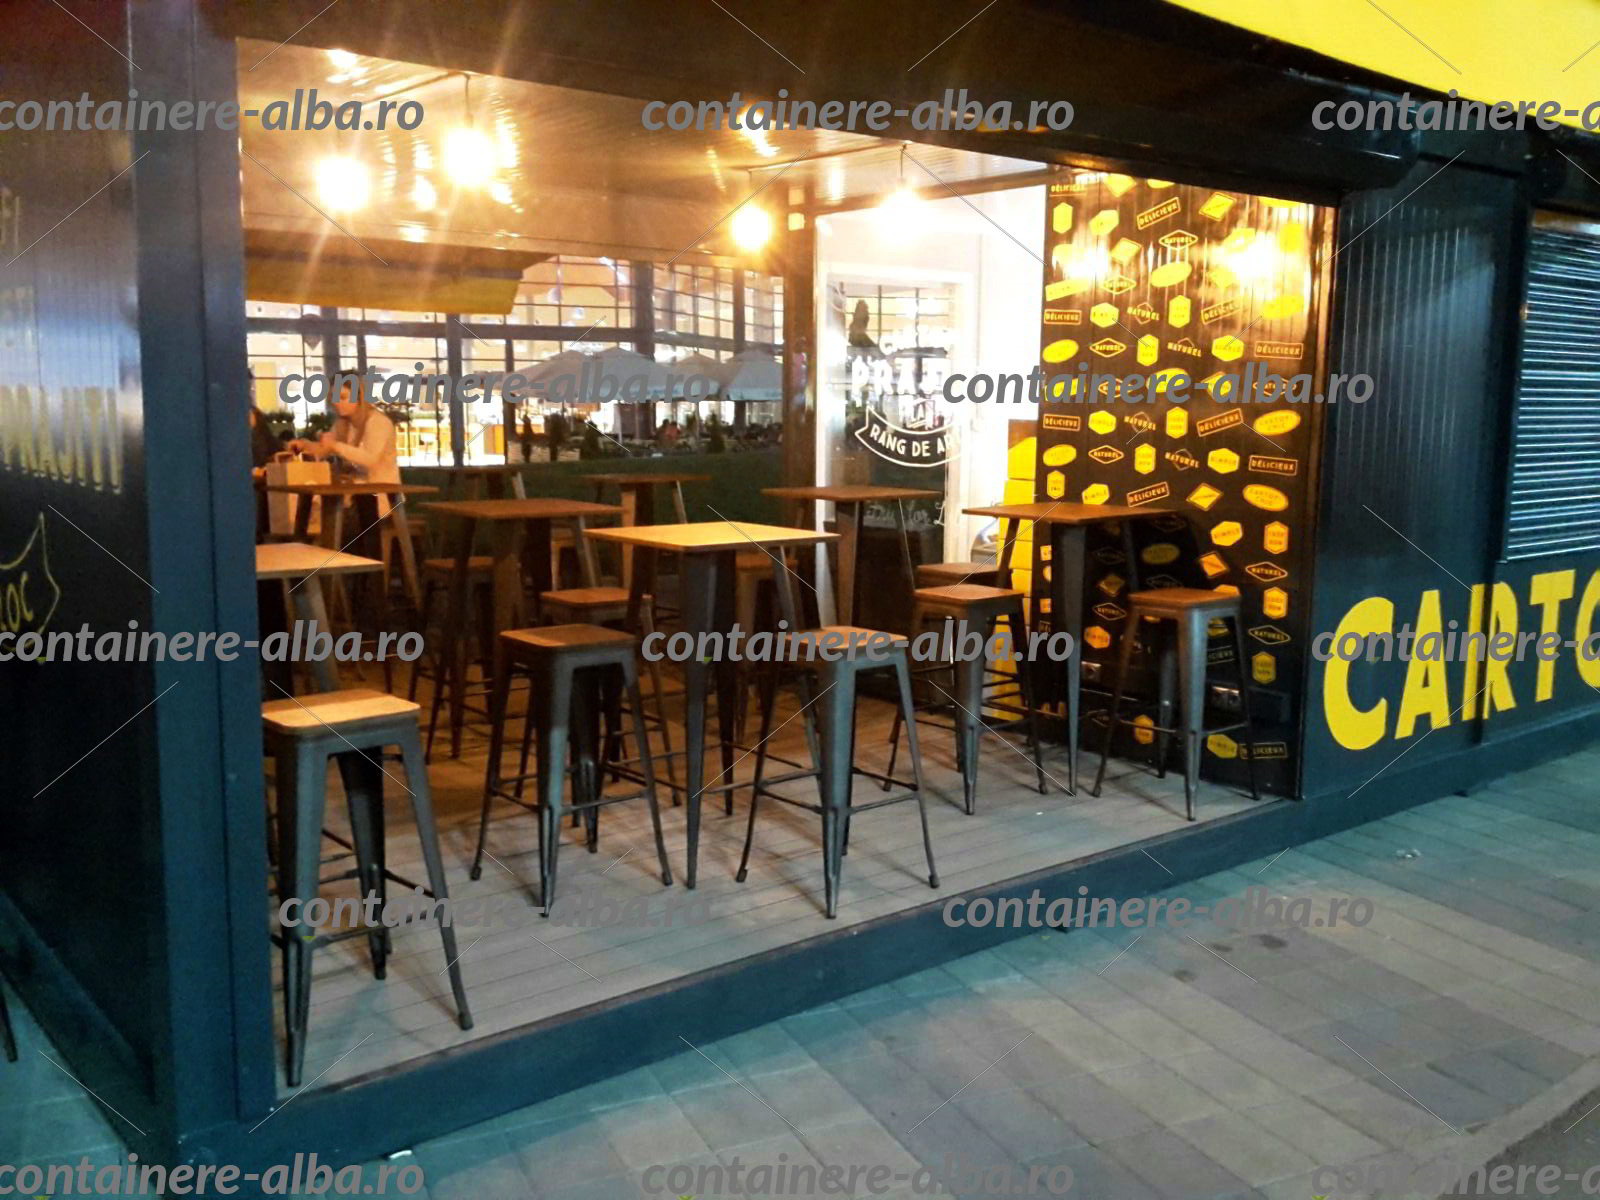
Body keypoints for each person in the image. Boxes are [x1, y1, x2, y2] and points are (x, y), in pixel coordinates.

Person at [290, 376, 399, 487]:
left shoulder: (378, 422)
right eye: (333, 397)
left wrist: (334, 445)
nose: (336, 402)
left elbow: (370, 459)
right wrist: (304, 445)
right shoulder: (342, 424)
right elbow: (324, 448)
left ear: (359, 398)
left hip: (383, 492)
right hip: (355, 490)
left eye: (343, 397)